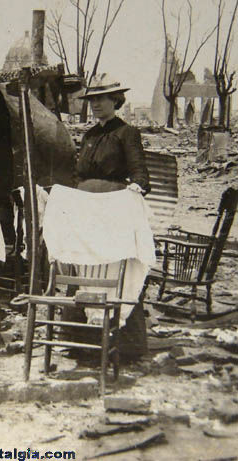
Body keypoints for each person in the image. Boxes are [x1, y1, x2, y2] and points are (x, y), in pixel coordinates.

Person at [73, 73, 150, 359]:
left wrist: (136, 187)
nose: (95, 105)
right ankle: (85, 345)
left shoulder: (126, 133)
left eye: (101, 99)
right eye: (91, 100)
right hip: (87, 214)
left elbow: (141, 173)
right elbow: (78, 173)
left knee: (116, 274)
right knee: (87, 271)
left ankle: (126, 348)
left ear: (115, 101)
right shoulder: (90, 135)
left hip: (113, 215)